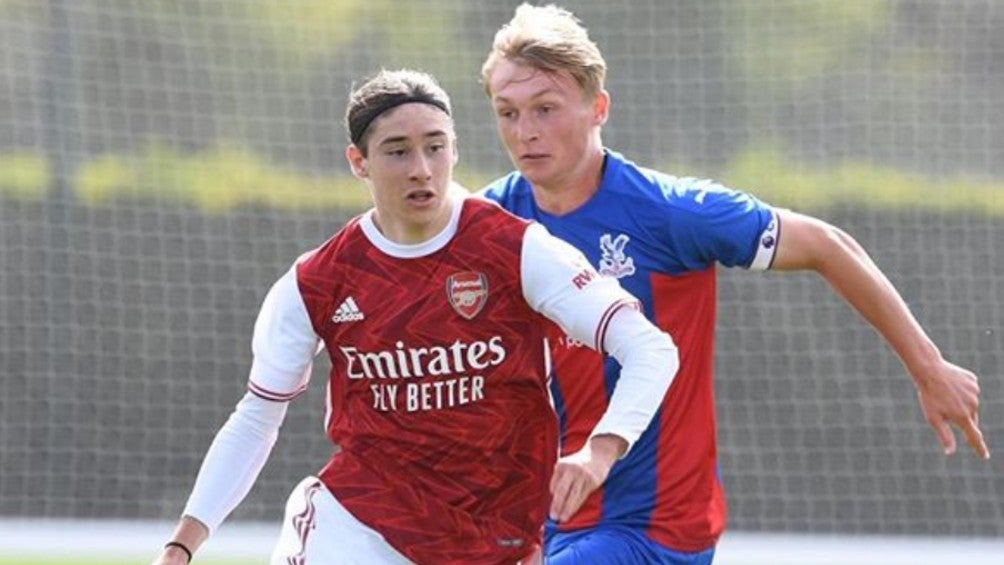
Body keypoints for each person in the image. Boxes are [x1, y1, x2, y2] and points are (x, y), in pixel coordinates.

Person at [478, 4, 990, 564]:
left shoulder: (671, 213)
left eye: (545, 109)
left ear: (597, 108)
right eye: (508, 113)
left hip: (655, 529)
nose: (525, 132)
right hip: (537, 523)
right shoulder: (489, 224)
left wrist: (927, 366)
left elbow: (826, 246)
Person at [149, 69, 681, 565]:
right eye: (397, 151)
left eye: (435, 147)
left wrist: (601, 450)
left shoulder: (515, 249)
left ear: (454, 149)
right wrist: (182, 544)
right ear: (358, 161)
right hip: (360, 521)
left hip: (495, 537)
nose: (421, 169)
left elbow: (650, 349)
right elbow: (258, 415)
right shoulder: (318, 280)